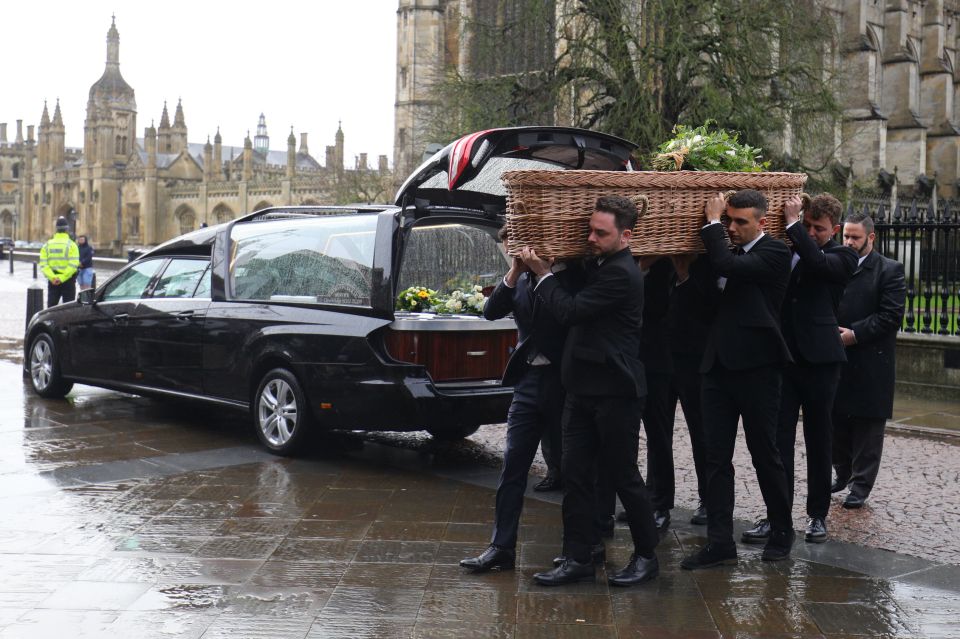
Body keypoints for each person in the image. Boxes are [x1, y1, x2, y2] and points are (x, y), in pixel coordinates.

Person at [522, 195, 659, 588]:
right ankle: (579, 556)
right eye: (590, 230)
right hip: (582, 389)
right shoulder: (599, 263)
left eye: (601, 233)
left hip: (616, 391)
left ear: (626, 235)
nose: (592, 238)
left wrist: (543, 274)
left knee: (623, 477)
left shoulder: (620, 272)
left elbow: (571, 311)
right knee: (577, 477)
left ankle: (647, 556)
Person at [681, 189, 795, 570]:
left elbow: (730, 267)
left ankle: (781, 531)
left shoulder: (775, 252)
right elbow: (707, 299)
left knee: (766, 454)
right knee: (715, 459)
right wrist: (684, 271)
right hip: (717, 368)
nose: (732, 228)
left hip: (759, 369)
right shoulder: (722, 254)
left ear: (762, 223)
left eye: (740, 222)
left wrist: (711, 224)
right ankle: (719, 542)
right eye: (727, 220)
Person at [459, 227, 578, 573]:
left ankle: (579, 549)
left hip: (563, 382)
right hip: (528, 382)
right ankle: (501, 547)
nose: (517, 253)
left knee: (573, 469)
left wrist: (543, 272)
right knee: (513, 467)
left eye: (519, 248)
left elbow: (566, 315)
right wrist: (513, 271)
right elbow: (491, 311)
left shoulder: (571, 277)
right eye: (511, 249)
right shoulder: (520, 279)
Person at [741, 194, 857, 546]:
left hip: (821, 361)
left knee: (819, 439)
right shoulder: (786, 249)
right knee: (778, 442)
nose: (810, 232)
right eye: (806, 225)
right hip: (785, 358)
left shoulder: (843, 254)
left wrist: (794, 228)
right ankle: (777, 516)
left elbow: (820, 265)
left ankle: (818, 516)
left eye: (817, 228)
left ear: (834, 229)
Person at [831, 211, 906, 509]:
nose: (848, 242)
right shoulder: (835, 264)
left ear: (871, 238)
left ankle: (860, 485)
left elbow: (890, 316)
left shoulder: (889, 270)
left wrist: (854, 334)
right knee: (835, 422)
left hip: (870, 360)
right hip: (836, 357)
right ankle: (842, 474)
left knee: (867, 429)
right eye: (845, 236)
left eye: (855, 237)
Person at [39, 216, 80, 307]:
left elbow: (43, 265)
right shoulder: (72, 245)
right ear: (67, 230)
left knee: (51, 308)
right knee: (68, 309)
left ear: (56, 230)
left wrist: (53, 277)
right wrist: (62, 278)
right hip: (68, 280)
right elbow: (73, 265)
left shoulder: (47, 245)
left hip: (53, 281)